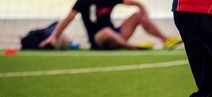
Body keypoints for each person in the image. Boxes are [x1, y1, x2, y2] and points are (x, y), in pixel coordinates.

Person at [39, 0, 182, 50]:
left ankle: (166, 40)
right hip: (98, 40)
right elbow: (67, 20)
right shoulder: (83, 2)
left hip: (117, 35)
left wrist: (143, 12)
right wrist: (53, 36)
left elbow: (136, 3)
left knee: (137, 16)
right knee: (106, 31)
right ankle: (131, 47)